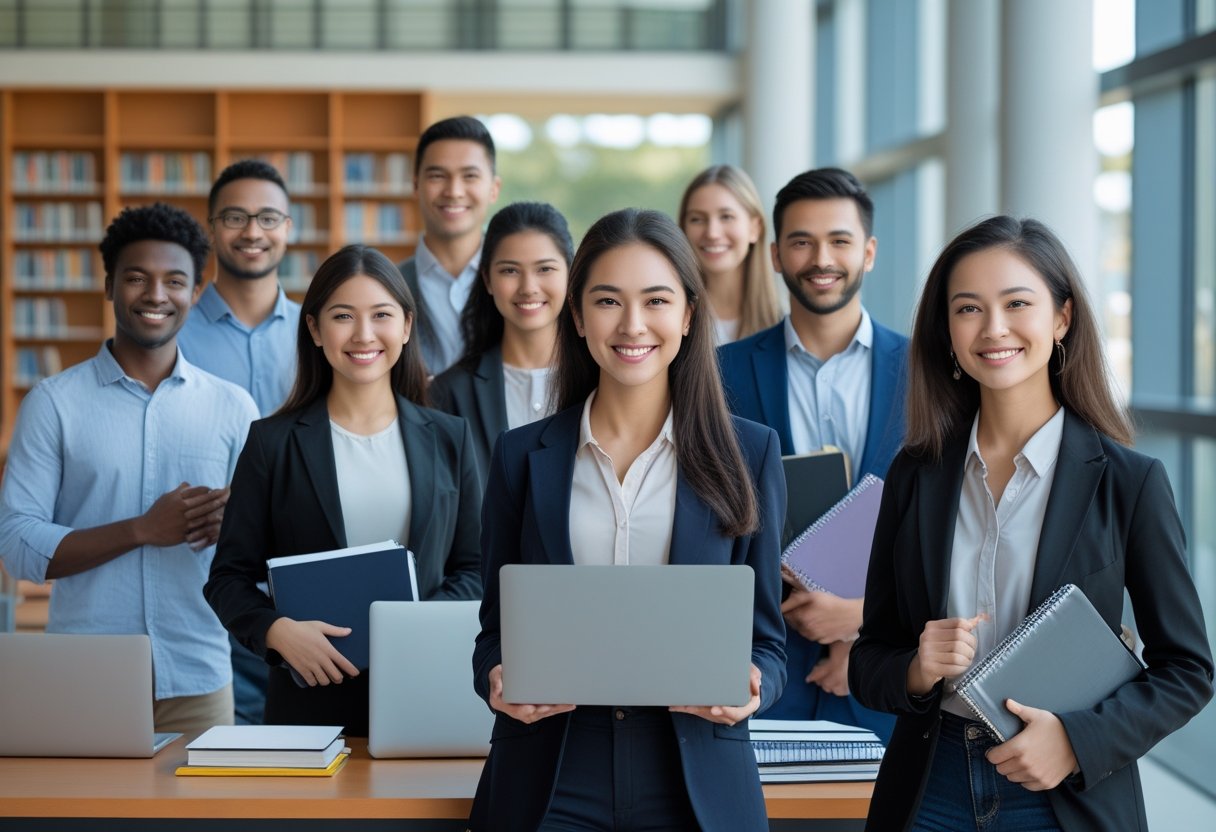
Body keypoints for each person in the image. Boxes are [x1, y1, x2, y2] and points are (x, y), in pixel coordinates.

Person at [849, 216, 1214, 831]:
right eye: (968, 309)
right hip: (929, 787)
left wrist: (1077, 741)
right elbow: (869, 658)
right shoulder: (916, 473)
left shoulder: (1129, 482)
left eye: (1017, 303)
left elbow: (1188, 671)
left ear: (1062, 319)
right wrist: (915, 668)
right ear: (947, 331)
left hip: (1063, 796)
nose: (994, 329)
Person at [468, 209, 787, 832]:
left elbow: (767, 642)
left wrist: (753, 684)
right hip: (552, 769)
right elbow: (493, 631)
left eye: (656, 301)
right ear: (579, 317)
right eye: (608, 301)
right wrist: (496, 676)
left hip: (696, 772)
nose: (633, 324)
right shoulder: (520, 456)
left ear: (689, 315)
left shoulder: (750, 453)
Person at [204, 244, 483, 736]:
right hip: (309, 703)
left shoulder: (449, 438)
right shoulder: (272, 443)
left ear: (406, 326)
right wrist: (275, 631)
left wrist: (416, 630)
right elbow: (227, 577)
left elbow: (476, 567)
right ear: (314, 329)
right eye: (342, 316)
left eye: (381, 315)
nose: (363, 334)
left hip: (429, 691)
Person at [0, 203, 259, 733]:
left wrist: (237, 531)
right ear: (109, 286)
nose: (156, 295)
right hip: (85, 676)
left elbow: (264, 557)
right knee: (89, 820)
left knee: (203, 820)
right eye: (136, 278)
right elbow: (17, 547)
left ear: (194, 293)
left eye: (175, 281)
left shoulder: (234, 408)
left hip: (200, 678)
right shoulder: (53, 403)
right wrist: (143, 530)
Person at [718, 167, 906, 739]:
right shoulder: (720, 374)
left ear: (868, 252)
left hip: (892, 677)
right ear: (775, 255)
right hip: (764, 672)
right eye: (801, 241)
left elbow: (954, 525)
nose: (821, 258)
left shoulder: (930, 374)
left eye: (839, 241)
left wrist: (863, 620)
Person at [179, 158, 303, 726]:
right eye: (235, 216)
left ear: (289, 227)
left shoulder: (323, 333)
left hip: (300, 585)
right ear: (210, 229)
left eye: (268, 217)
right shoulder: (169, 333)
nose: (253, 231)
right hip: (196, 585)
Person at [429, 201, 574, 484]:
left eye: (545, 269)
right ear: (487, 279)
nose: (528, 287)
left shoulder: (602, 380)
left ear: (571, 273)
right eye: (510, 270)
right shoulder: (449, 393)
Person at [397, 116, 501, 375]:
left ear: (493, 188)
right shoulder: (387, 285)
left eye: (470, 176)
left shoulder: (518, 282)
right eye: (437, 175)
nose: (454, 191)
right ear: (416, 186)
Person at [678, 164, 781, 344]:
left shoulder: (785, 322)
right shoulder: (672, 317)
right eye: (697, 219)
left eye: (726, 217)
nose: (712, 233)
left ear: (754, 228)